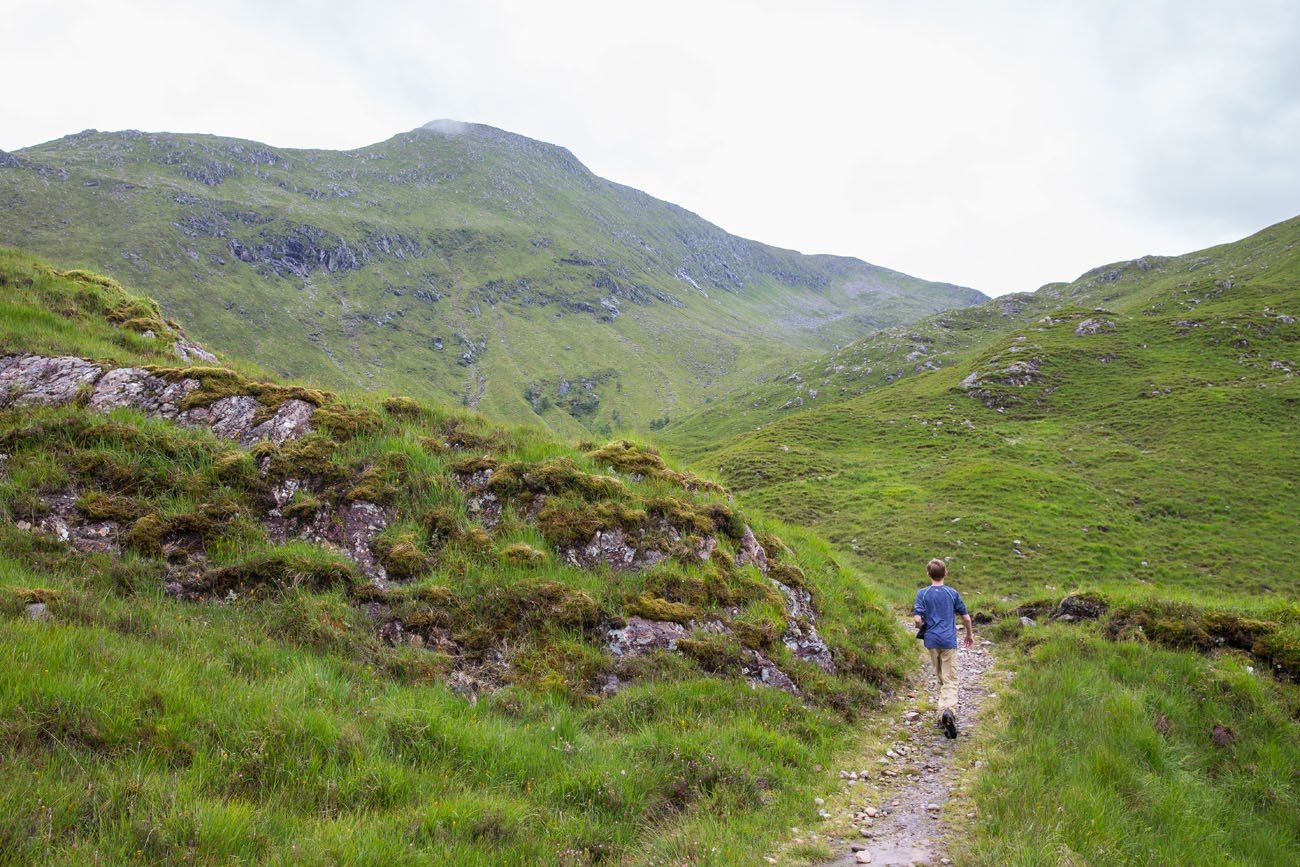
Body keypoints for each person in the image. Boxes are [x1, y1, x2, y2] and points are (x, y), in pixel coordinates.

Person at [913, 558, 973, 739]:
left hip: (931, 641)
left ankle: (942, 715)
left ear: (928, 574)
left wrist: (921, 626)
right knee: (951, 678)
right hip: (948, 641)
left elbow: (917, 620)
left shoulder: (922, 594)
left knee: (940, 676)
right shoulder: (952, 593)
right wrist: (969, 635)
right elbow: (967, 618)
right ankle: (948, 711)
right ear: (945, 573)